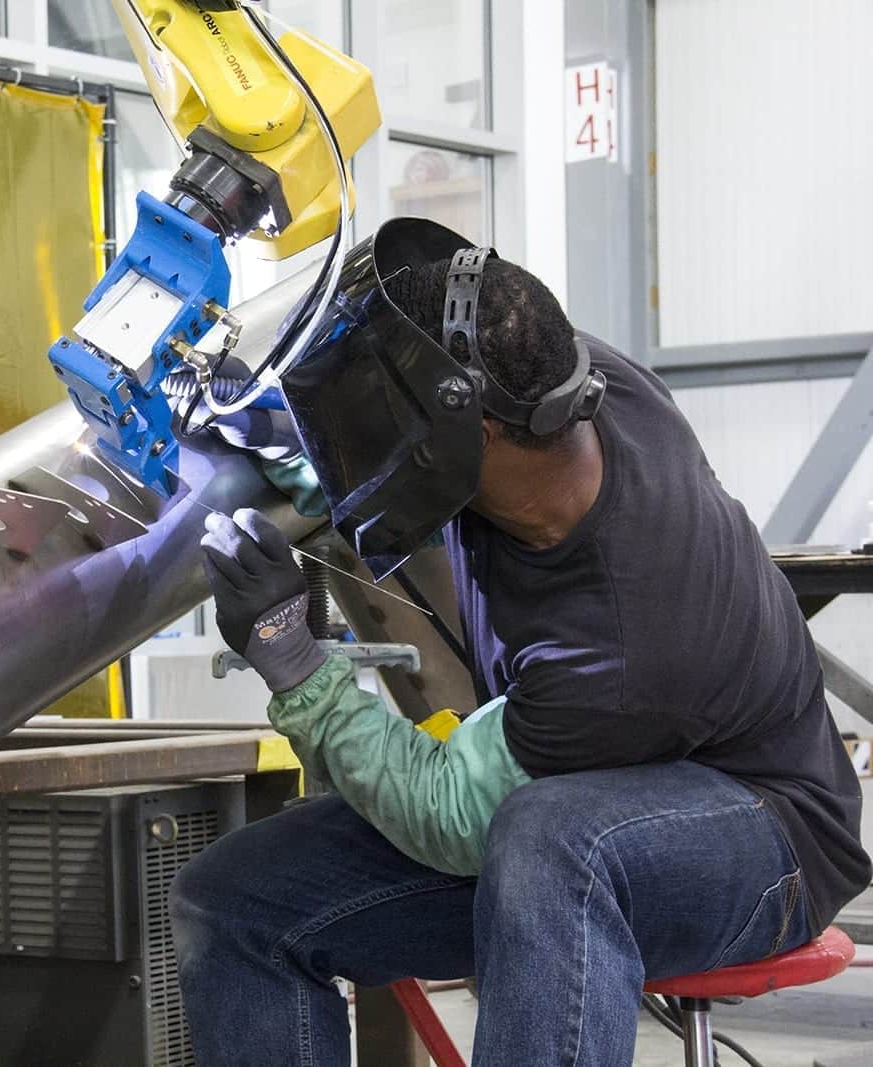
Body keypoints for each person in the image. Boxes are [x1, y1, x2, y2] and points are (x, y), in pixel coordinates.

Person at [172, 218, 871, 1066]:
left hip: (766, 830)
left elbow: (448, 811)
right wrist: (294, 428)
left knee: (547, 843)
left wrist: (295, 663)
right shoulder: (562, 380)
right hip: (594, 781)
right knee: (236, 900)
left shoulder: (621, 643)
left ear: (479, 437)